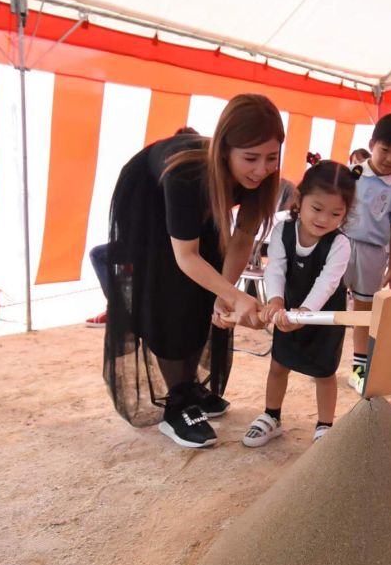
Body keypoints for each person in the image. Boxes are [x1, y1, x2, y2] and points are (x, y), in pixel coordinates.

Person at [103, 96, 284, 449]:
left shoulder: (260, 177)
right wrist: (237, 297)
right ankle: (178, 403)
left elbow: (243, 236)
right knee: (170, 289)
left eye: (271, 158)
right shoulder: (187, 172)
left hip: (197, 199)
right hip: (146, 200)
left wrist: (224, 294)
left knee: (209, 283)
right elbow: (185, 256)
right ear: (223, 150)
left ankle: (189, 386)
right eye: (250, 158)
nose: (261, 169)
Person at [242, 160, 356, 448]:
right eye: (317, 209)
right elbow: (276, 268)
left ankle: (324, 426)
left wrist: (306, 313)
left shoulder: (340, 244)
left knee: (324, 372)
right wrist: (276, 301)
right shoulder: (282, 230)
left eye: (336, 213)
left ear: (346, 213)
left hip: (323, 316)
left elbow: (327, 282)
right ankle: (272, 416)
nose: (324, 219)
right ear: (299, 199)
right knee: (279, 364)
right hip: (288, 311)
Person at [85, 126, 201, 328]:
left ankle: (119, 308)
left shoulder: (182, 180)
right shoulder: (160, 177)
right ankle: (120, 306)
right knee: (108, 256)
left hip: (164, 251)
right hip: (155, 247)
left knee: (101, 255)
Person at [343, 113, 391, 393]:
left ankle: (359, 370)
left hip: (373, 254)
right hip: (340, 246)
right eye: (385, 149)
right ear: (372, 143)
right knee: (330, 304)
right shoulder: (352, 174)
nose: (390, 158)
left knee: (364, 313)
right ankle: (321, 361)